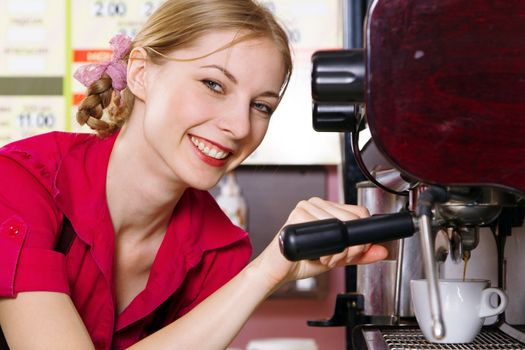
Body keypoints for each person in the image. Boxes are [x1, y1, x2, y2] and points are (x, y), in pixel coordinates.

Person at [0, 0, 388, 349]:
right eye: (213, 84)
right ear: (140, 73)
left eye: (261, 106)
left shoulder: (219, 250)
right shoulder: (20, 181)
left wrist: (269, 270)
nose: (239, 126)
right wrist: (261, 274)